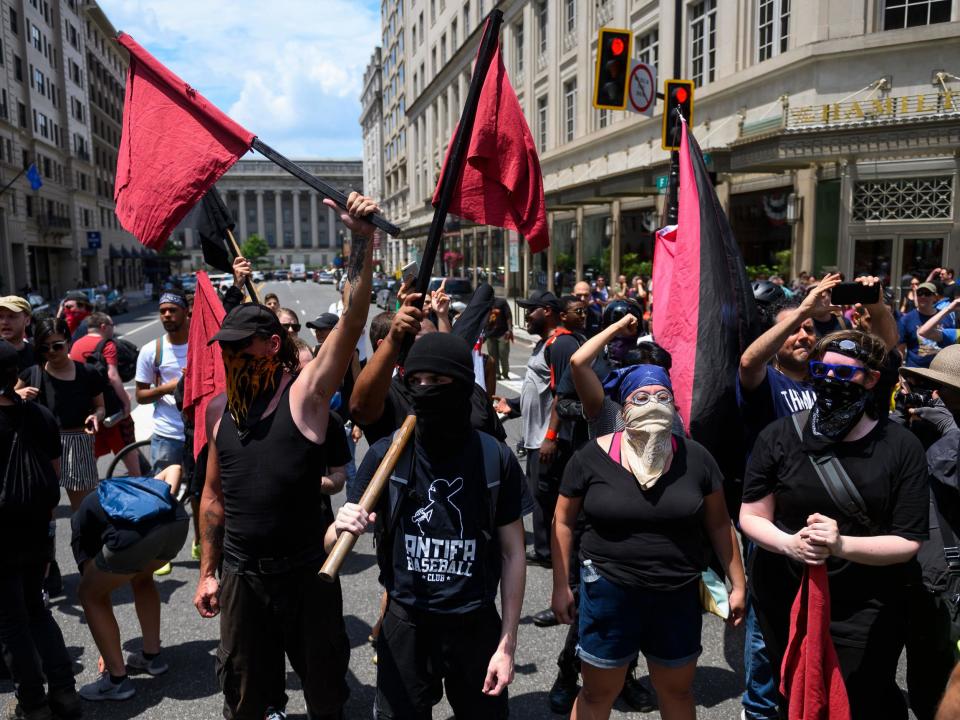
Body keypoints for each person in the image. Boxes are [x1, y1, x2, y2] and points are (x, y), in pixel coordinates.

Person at [193, 192, 379, 720]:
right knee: (246, 698)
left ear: (271, 346)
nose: (228, 356)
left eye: (239, 347)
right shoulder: (218, 412)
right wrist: (209, 571)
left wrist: (360, 242)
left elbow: (351, 324)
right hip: (240, 578)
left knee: (324, 692)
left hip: (305, 576)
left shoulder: (305, 397)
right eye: (224, 349)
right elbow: (211, 499)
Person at [329, 332, 526, 720]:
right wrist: (340, 525)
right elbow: (330, 544)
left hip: (475, 625)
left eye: (437, 381)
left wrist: (507, 645)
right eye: (416, 380)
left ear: (463, 386)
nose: (424, 389)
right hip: (406, 623)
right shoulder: (388, 454)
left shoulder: (494, 457)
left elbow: (512, 551)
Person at [740, 330, 929, 720]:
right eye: (819, 370)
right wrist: (789, 543)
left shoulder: (900, 446)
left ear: (872, 379)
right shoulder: (780, 436)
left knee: (859, 695)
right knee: (794, 691)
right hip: (788, 597)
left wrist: (841, 545)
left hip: (868, 602)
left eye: (843, 375)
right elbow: (751, 515)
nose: (829, 381)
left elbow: (909, 540)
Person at [553, 363, 746, 720]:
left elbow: (720, 524)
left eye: (662, 397)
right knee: (597, 692)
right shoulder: (590, 457)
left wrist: (738, 583)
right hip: (609, 591)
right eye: (640, 397)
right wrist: (561, 586)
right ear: (623, 408)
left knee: (676, 690)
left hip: (677, 593)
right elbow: (562, 521)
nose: (653, 404)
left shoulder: (696, 458)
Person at [0, 340, 82, 720]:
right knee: (37, 610)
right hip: (36, 530)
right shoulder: (41, 416)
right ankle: (64, 693)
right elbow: (53, 475)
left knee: (11, 622)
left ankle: (33, 704)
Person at [71, 466, 189, 701]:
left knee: (89, 595)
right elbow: (176, 468)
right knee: (142, 577)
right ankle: (152, 657)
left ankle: (116, 681)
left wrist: (109, 652)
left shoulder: (81, 523)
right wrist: (165, 503)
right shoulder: (140, 485)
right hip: (177, 523)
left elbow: (98, 593)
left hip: (137, 536)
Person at [495, 290, 580, 574]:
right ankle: (545, 550)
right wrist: (513, 405)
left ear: (546, 310)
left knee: (550, 497)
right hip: (536, 437)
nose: (526, 316)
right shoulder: (546, 343)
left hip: (548, 439)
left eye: (531, 310)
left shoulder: (562, 344)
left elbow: (563, 396)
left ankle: (558, 556)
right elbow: (539, 390)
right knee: (540, 497)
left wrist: (551, 437)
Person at [16, 317, 105, 510]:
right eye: (44, 347)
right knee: (42, 512)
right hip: (41, 447)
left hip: (78, 442)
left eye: (57, 346)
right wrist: (18, 395)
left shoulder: (88, 373)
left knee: (83, 511)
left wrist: (96, 416)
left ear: (68, 342)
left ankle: (81, 541)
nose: (50, 352)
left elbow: (100, 407)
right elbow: (6, 401)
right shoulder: (31, 374)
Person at [69, 312, 138, 476]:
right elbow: (112, 375)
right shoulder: (107, 344)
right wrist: (126, 403)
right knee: (127, 447)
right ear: (103, 326)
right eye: (112, 326)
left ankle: (86, 487)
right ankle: (139, 481)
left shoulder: (76, 344)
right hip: (110, 407)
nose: (113, 330)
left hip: (86, 407)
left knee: (93, 450)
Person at [135, 293, 189, 474]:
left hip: (200, 434)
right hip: (167, 434)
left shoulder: (203, 346)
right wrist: (167, 388)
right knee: (163, 495)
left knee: (203, 494)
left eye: (172, 310)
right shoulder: (150, 350)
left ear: (186, 311)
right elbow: (140, 396)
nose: (166, 314)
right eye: (162, 311)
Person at [900, 281, 955, 368]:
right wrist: (901, 373)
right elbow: (900, 351)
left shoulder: (946, 317)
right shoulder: (906, 320)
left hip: (940, 371)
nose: (922, 296)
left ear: (935, 297)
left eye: (927, 294)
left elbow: (951, 346)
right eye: (919, 293)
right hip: (915, 372)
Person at [0, 295, 35, 370]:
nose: (4, 322)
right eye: (0, 317)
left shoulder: (38, 355)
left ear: (27, 320)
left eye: (11, 316)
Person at [485, 296, 514, 381]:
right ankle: (497, 374)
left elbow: (508, 316)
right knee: (493, 357)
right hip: (490, 334)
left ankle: (505, 374)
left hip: (502, 333)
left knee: (503, 354)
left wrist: (510, 329)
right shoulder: (484, 304)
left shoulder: (501, 302)